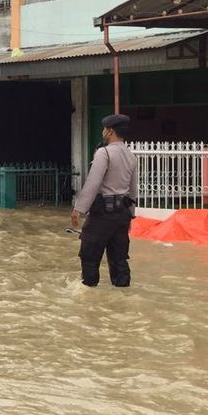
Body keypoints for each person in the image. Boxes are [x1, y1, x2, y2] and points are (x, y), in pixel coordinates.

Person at [71, 113, 138, 287]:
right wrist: (131, 215)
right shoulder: (131, 156)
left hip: (102, 215)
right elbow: (133, 190)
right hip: (122, 214)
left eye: (104, 129)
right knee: (120, 260)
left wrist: (79, 209)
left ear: (109, 132)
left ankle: (89, 297)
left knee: (89, 256)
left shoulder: (104, 153)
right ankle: (123, 298)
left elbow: (93, 183)